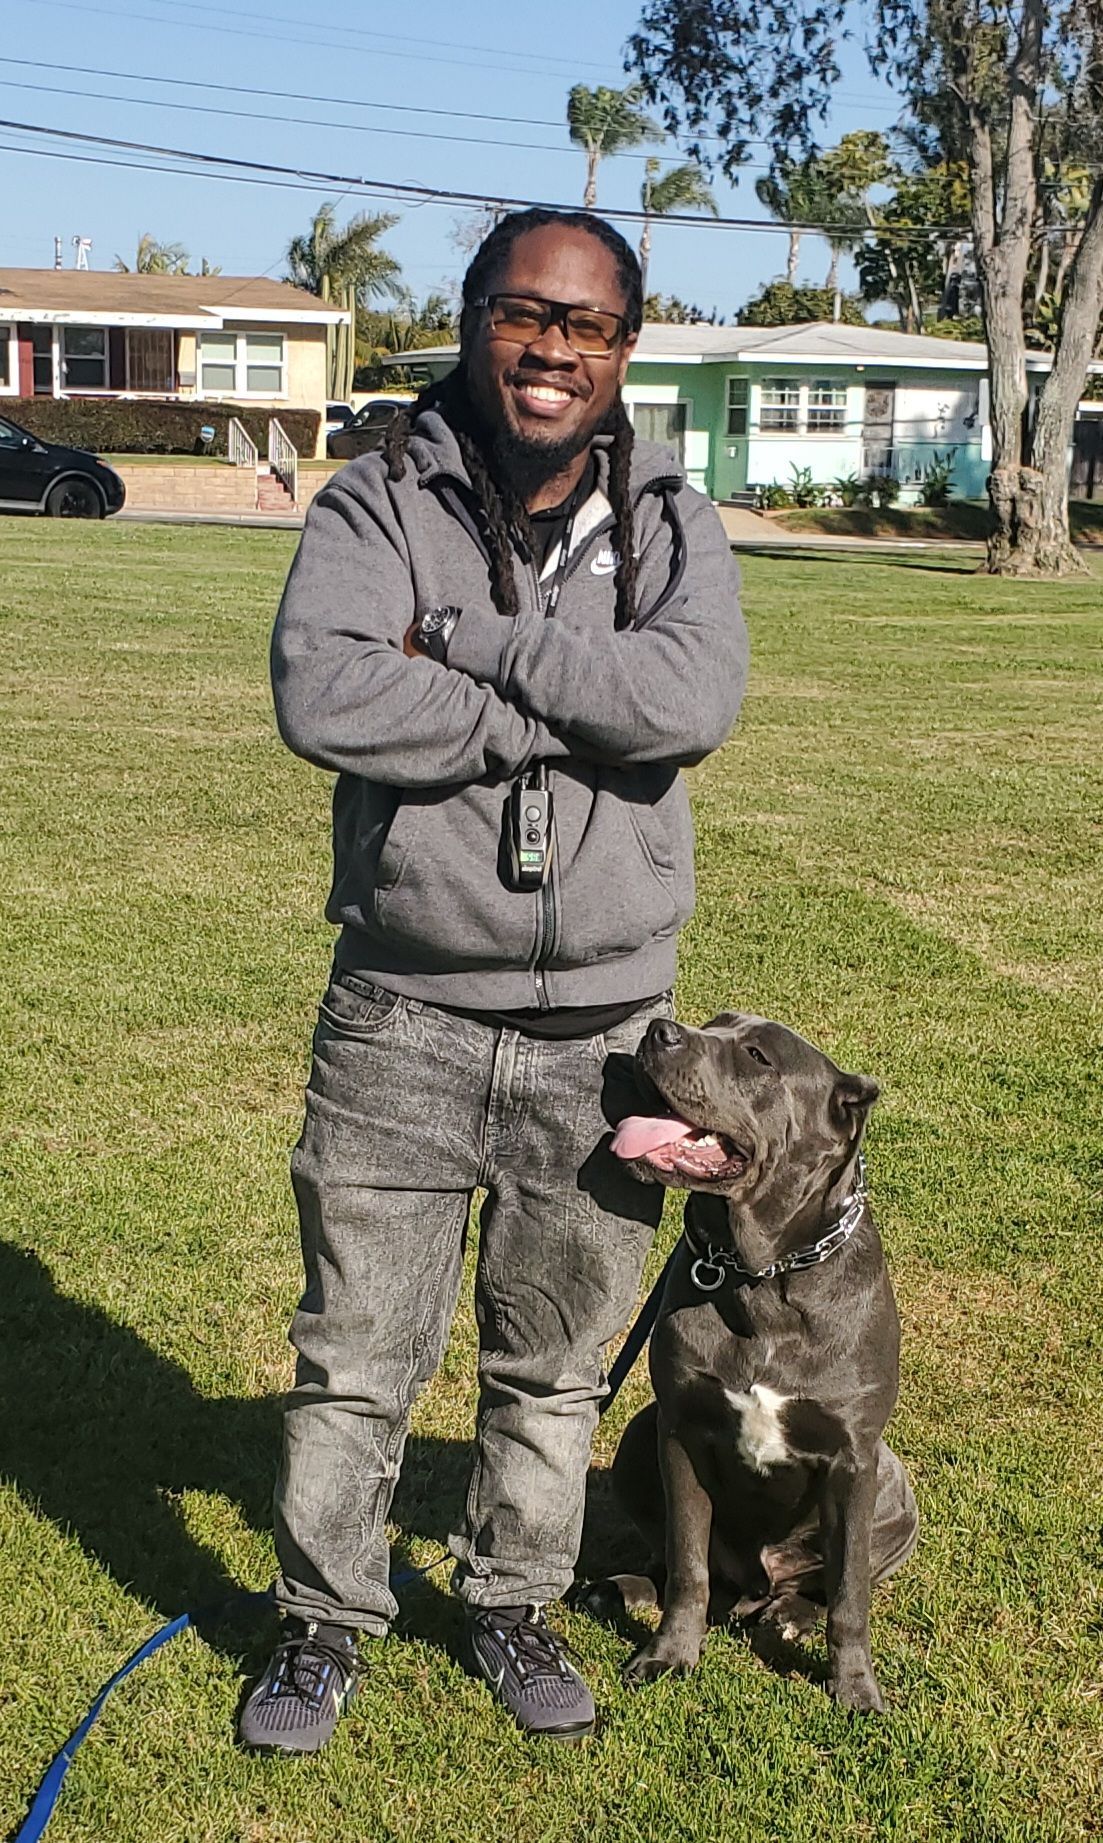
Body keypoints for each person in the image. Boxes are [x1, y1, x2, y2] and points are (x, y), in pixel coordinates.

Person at [240, 207, 747, 1753]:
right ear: (474, 317)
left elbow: (688, 699)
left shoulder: (674, 523)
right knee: (354, 1363)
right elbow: (327, 689)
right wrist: (574, 712)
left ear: (625, 350)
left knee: (555, 1370)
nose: (550, 350)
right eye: (525, 314)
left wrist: (465, 645)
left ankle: (511, 1603)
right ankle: (322, 1625)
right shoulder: (375, 499)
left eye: (585, 326)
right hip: (400, 1011)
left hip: (604, 1033)